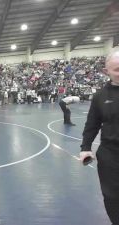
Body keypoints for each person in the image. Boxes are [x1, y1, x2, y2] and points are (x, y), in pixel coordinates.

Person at [80, 50, 119, 225]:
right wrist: (85, 148)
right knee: (112, 195)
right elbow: (92, 125)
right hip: (110, 154)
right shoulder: (100, 96)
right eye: (117, 69)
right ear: (107, 72)